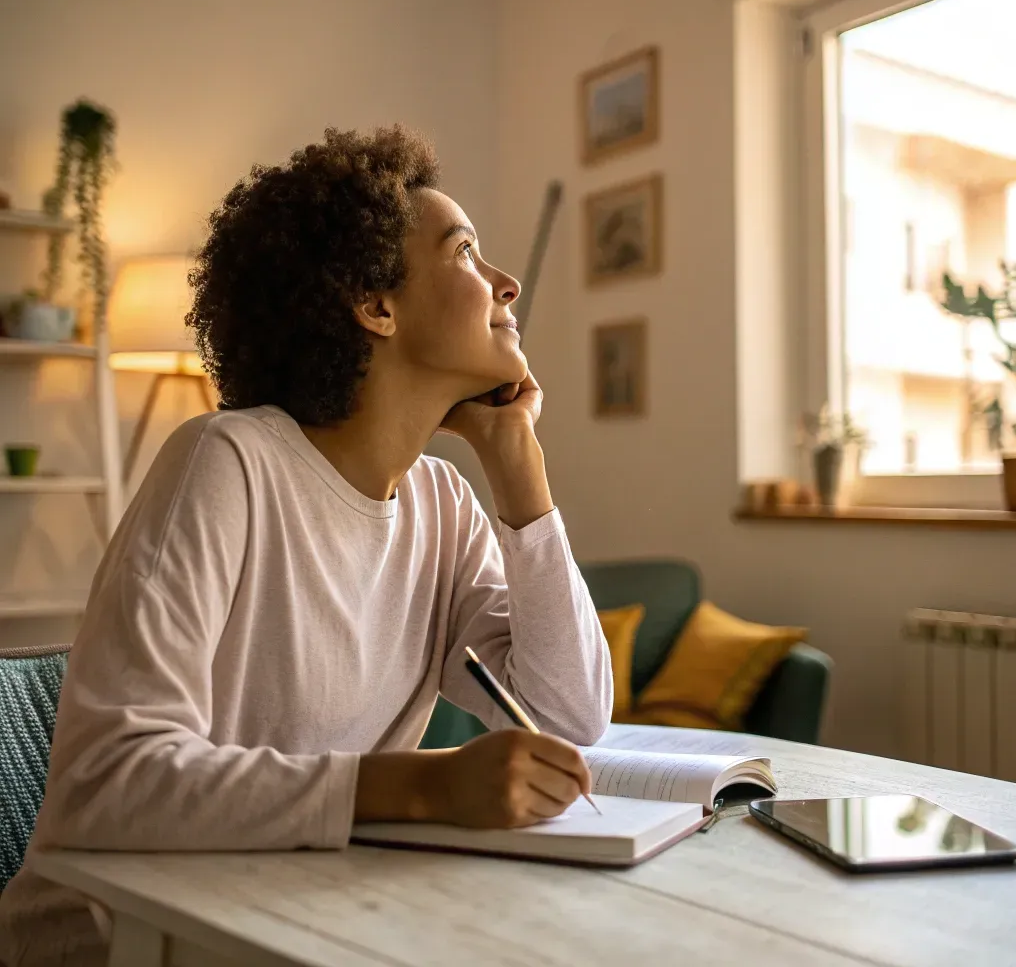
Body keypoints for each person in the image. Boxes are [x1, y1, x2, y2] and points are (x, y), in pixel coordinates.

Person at [0, 125, 612, 966]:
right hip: (120, 944)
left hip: (301, 929)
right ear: (375, 303)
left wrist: (517, 462)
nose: (504, 283)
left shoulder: (444, 503)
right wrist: (425, 784)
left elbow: (571, 713)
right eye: (466, 252)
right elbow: (110, 783)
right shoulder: (226, 464)